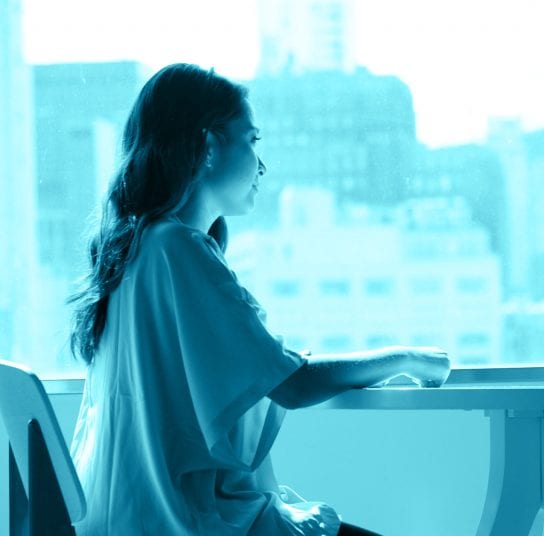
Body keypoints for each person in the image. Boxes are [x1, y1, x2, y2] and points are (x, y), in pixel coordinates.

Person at [67, 63, 451, 535]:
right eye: (251, 141)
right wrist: (405, 357)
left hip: (119, 519)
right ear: (209, 146)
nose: (262, 165)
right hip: (177, 520)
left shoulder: (134, 249)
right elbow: (291, 384)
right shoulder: (177, 249)